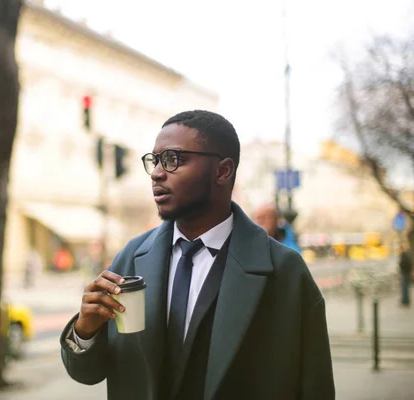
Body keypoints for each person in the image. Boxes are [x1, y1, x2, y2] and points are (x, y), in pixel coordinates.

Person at [60, 110, 334, 400]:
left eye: (173, 159)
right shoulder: (131, 258)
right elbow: (88, 373)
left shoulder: (284, 271)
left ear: (222, 171)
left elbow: (315, 386)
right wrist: (85, 331)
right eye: (155, 160)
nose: (156, 173)